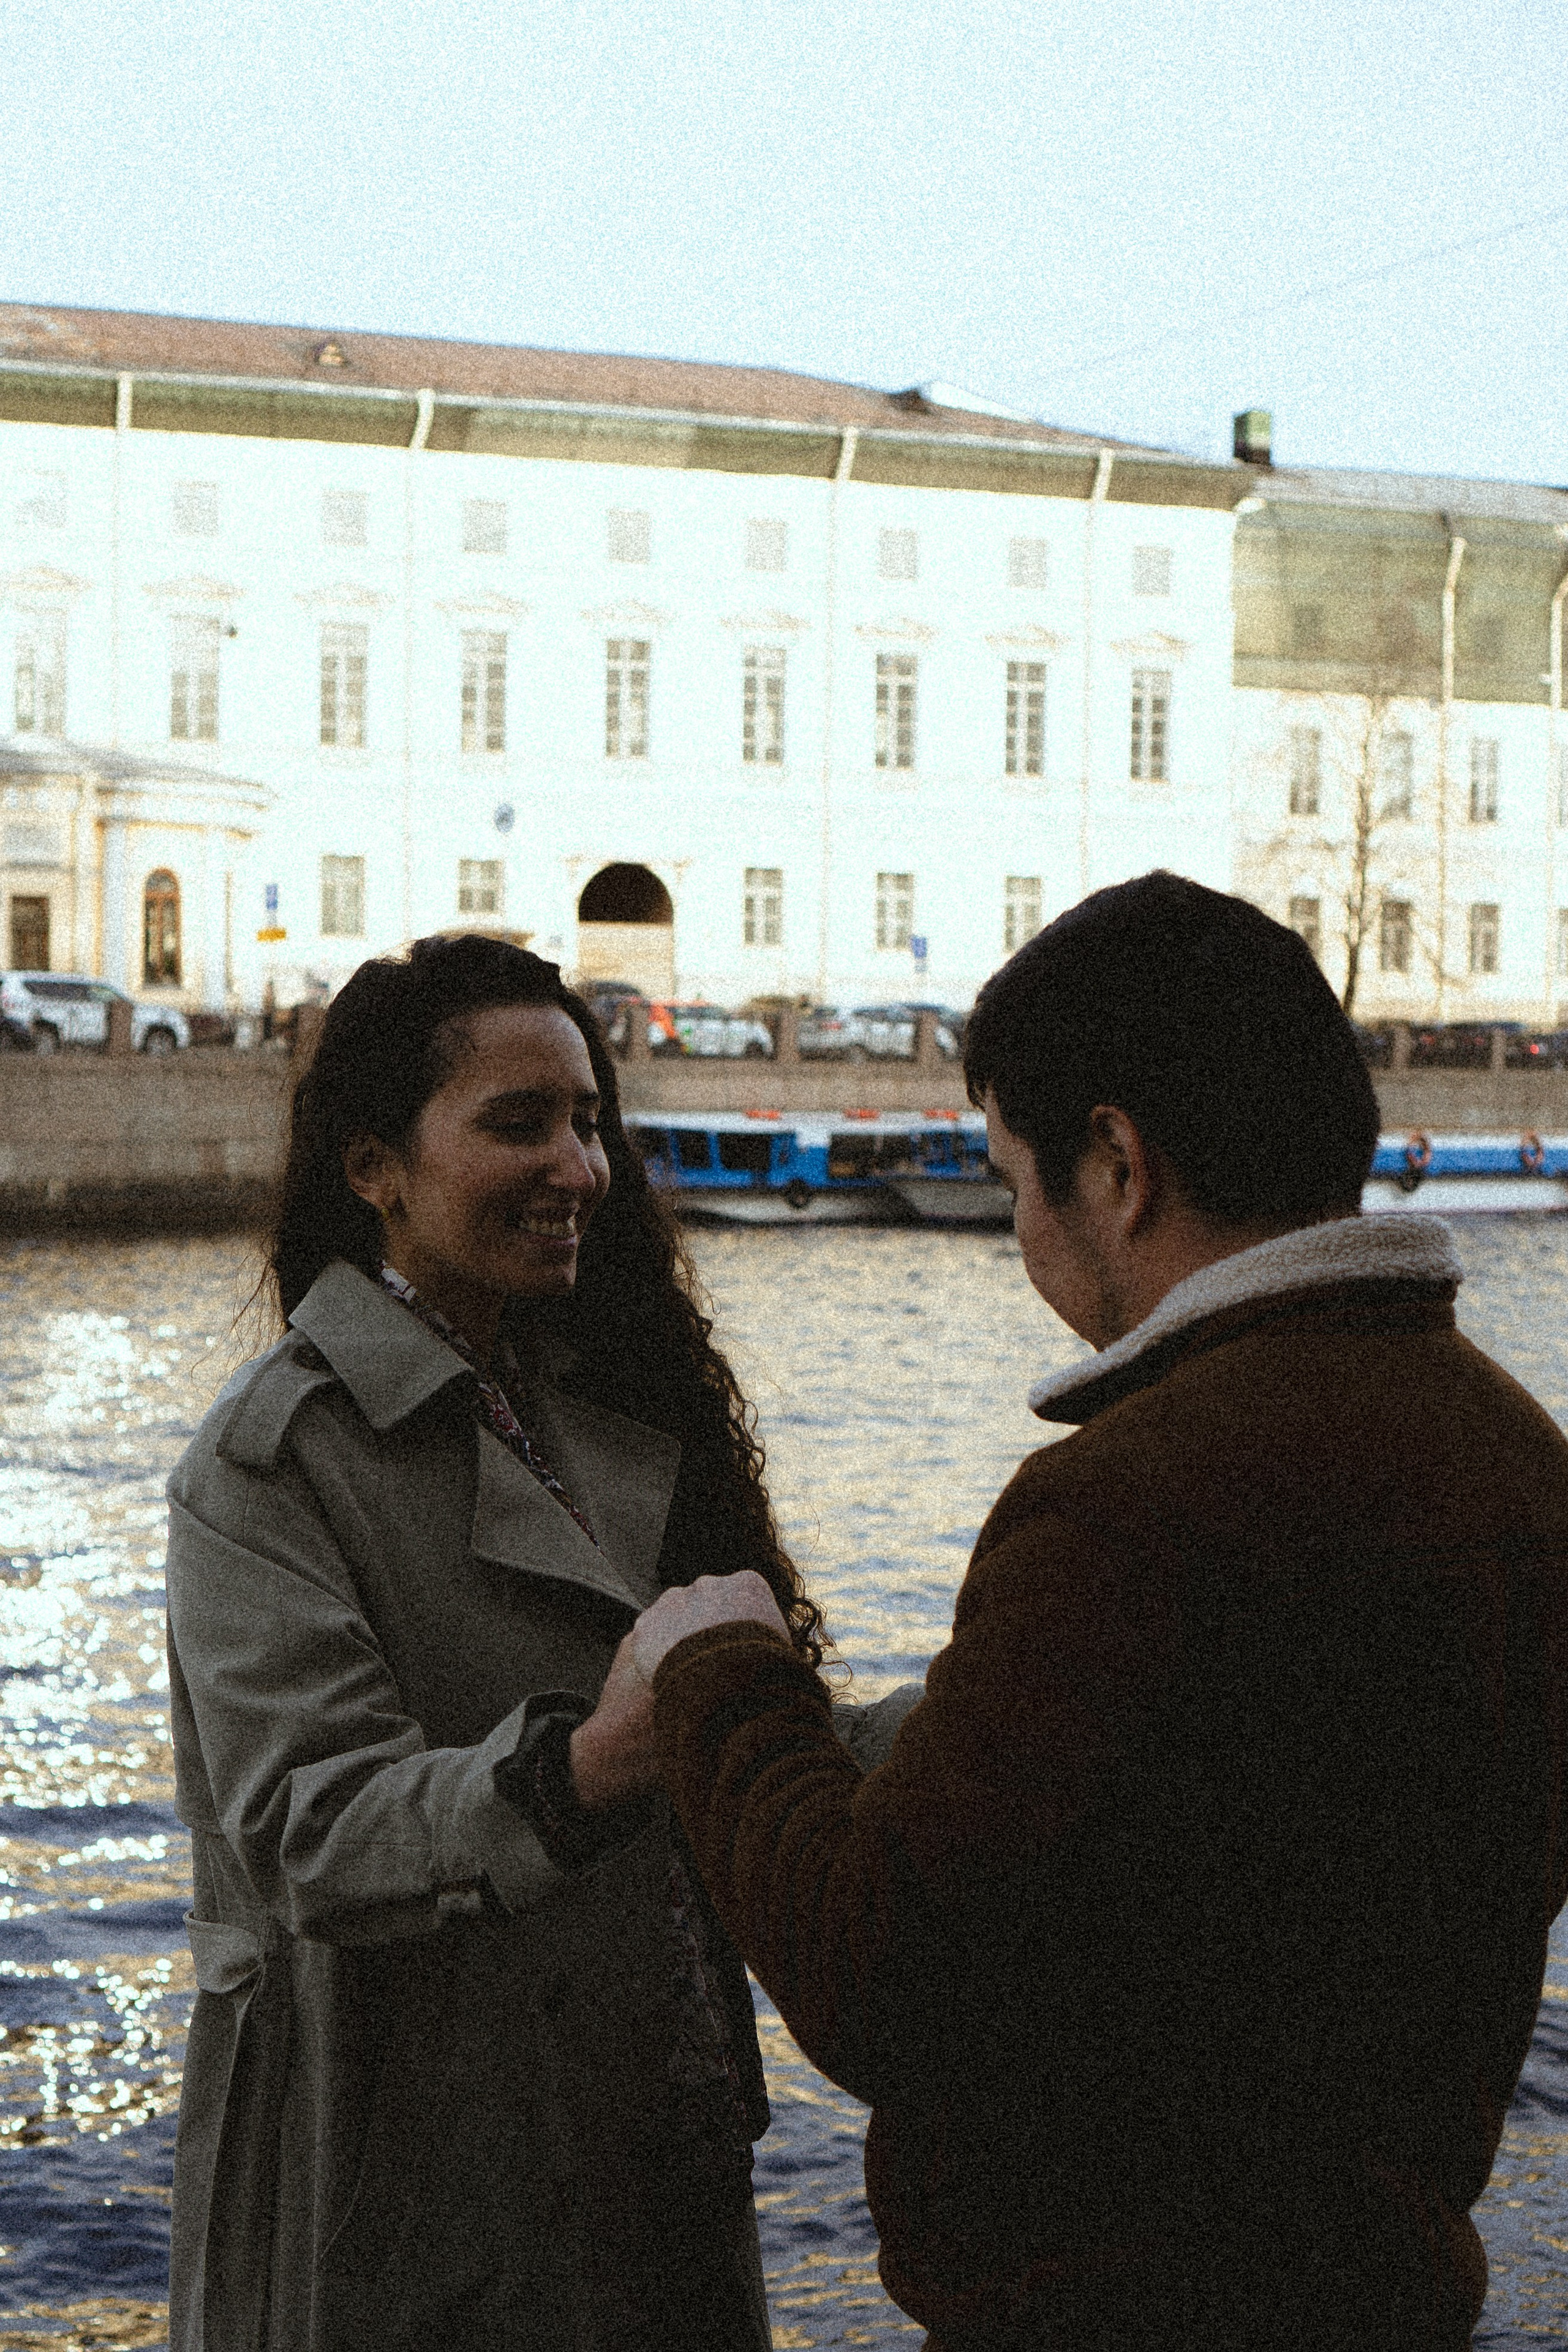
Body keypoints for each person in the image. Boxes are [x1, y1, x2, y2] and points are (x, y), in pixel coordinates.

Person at [572, 872, 1568, 2351]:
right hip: (1383, 2286)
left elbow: (882, 1976)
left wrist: (723, 1671)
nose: (1019, 1229)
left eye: (1010, 1179)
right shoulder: (1516, 1456)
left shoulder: (1130, 1499)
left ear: (1113, 1164)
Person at [163, 934, 907, 2352]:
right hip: (412, 2201)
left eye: (587, 1122)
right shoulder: (270, 1464)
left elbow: (737, 1717)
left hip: (641, 2159)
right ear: (375, 1167)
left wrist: (972, 1713)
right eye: (519, 1124)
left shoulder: (602, 1395)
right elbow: (308, 1829)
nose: (578, 1168)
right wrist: (584, 1767)